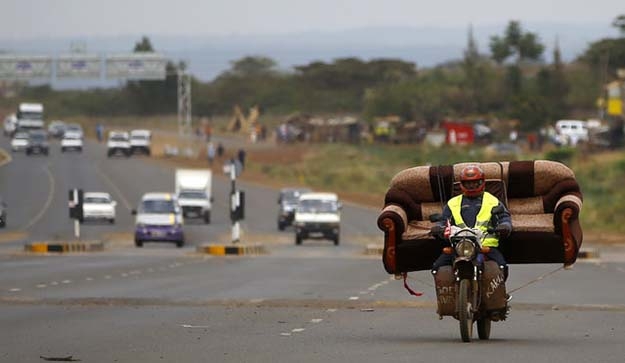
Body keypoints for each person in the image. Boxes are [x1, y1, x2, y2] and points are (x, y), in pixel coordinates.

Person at [430, 165, 512, 280]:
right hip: (459, 246)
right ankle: (448, 296)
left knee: (502, 266)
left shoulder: (493, 201)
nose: (472, 186)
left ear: (482, 183)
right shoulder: (453, 203)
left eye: (475, 183)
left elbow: (504, 217)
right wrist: (438, 228)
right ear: (462, 184)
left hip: (485, 246)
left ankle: (499, 295)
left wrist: (505, 226)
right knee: (436, 267)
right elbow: (443, 220)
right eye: (468, 183)